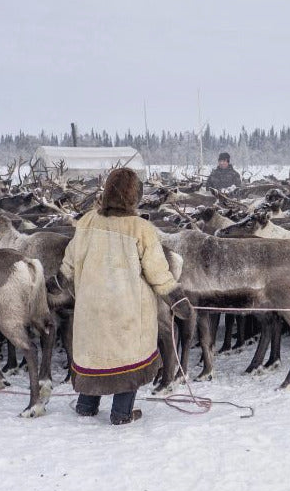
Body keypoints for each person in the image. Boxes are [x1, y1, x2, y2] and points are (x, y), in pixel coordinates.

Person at [59, 167, 191, 424]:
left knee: (94, 352)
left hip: (91, 307)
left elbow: (70, 261)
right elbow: (158, 273)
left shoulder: (87, 221)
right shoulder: (140, 228)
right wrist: (177, 299)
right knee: (126, 356)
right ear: (134, 197)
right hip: (127, 309)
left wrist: (59, 280)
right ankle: (121, 412)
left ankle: (86, 404)